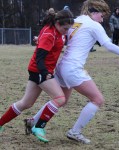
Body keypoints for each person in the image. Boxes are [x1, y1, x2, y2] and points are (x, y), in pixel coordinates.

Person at [24, 0, 119, 144]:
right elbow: (108, 45)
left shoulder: (77, 20)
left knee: (61, 100)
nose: (102, 19)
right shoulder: (94, 25)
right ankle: (75, 132)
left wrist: (40, 38)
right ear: (95, 12)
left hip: (62, 67)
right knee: (98, 100)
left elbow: (61, 36)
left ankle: (32, 121)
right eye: (102, 15)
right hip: (73, 68)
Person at [0, 9, 74, 143]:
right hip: (40, 70)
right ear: (57, 23)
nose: (67, 31)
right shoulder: (50, 34)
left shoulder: (57, 31)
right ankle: (38, 126)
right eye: (65, 28)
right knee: (60, 98)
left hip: (38, 70)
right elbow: (40, 58)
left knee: (26, 103)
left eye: (69, 28)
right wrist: (45, 73)